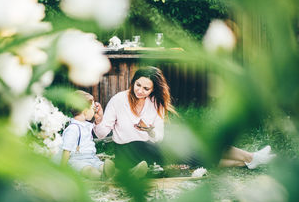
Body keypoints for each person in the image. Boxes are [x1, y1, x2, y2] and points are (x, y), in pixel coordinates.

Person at [93, 66, 275, 173]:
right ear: (133, 82)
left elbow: (158, 137)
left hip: (150, 148)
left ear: (153, 90)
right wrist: (99, 119)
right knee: (197, 151)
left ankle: (249, 161)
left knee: (199, 155)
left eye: (146, 88)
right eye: (137, 85)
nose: (140, 90)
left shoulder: (154, 104)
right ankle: (252, 158)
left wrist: (148, 130)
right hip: (128, 153)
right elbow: (101, 135)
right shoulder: (118, 100)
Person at [61, 90, 115, 180]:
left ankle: (127, 175)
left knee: (101, 166)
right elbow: (66, 150)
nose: (94, 111)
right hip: (77, 160)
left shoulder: (86, 125)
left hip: (92, 158)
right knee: (89, 170)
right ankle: (102, 177)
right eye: (93, 109)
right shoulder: (73, 128)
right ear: (85, 111)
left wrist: (99, 117)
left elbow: (98, 130)